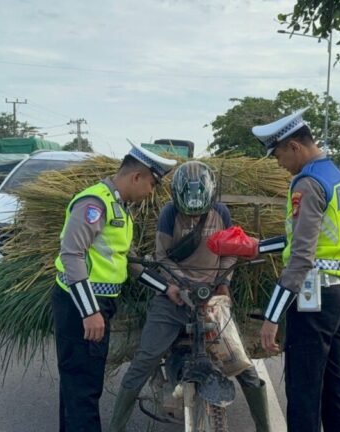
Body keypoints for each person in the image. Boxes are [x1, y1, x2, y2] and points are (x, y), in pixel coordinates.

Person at [109, 161, 271, 432]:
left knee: (245, 370)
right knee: (144, 361)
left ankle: (265, 427)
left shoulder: (221, 212)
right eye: (188, 211)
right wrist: (179, 283)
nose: (193, 216)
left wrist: (224, 282)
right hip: (173, 297)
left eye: (199, 211)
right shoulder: (169, 213)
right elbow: (162, 256)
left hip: (212, 299)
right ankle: (115, 427)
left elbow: (230, 250)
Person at [52, 142, 176, 432]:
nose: (151, 192)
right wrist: (89, 311)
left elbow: (126, 260)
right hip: (80, 304)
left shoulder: (117, 207)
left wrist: (164, 288)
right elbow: (72, 255)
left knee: (79, 383)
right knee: (83, 385)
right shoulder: (94, 204)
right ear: (136, 177)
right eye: (152, 184)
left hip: (96, 304)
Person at [252, 108, 340, 432]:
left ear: (295, 146)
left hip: (314, 297)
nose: (279, 164)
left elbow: (301, 257)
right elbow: (310, 236)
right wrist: (257, 247)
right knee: (335, 387)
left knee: (304, 391)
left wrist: (271, 317)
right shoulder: (334, 176)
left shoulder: (308, 183)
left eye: (279, 156)